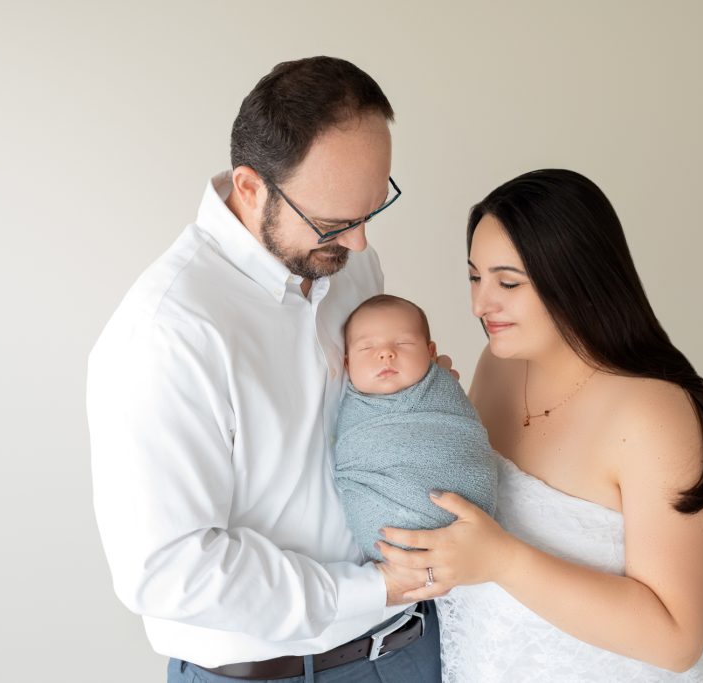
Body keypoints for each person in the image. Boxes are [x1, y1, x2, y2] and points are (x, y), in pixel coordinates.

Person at [87, 57, 443, 683]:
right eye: (336, 223)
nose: (359, 244)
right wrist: (370, 591)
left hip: (414, 645)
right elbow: (168, 569)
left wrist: (420, 402)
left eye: (371, 210)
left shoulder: (348, 263)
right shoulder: (166, 334)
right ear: (250, 188)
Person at [378, 169, 703, 682]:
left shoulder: (655, 416)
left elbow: (677, 639)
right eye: (475, 277)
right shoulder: (498, 365)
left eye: (508, 282)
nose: (481, 304)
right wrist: (419, 412)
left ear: (575, 275)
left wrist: (502, 561)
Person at [334, 294, 497, 563]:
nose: (386, 353)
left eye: (403, 342)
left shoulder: (443, 394)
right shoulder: (344, 407)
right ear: (347, 364)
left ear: (431, 352)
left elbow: (469, 450)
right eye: (367, 348)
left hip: (470, 530)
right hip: (384, 552)